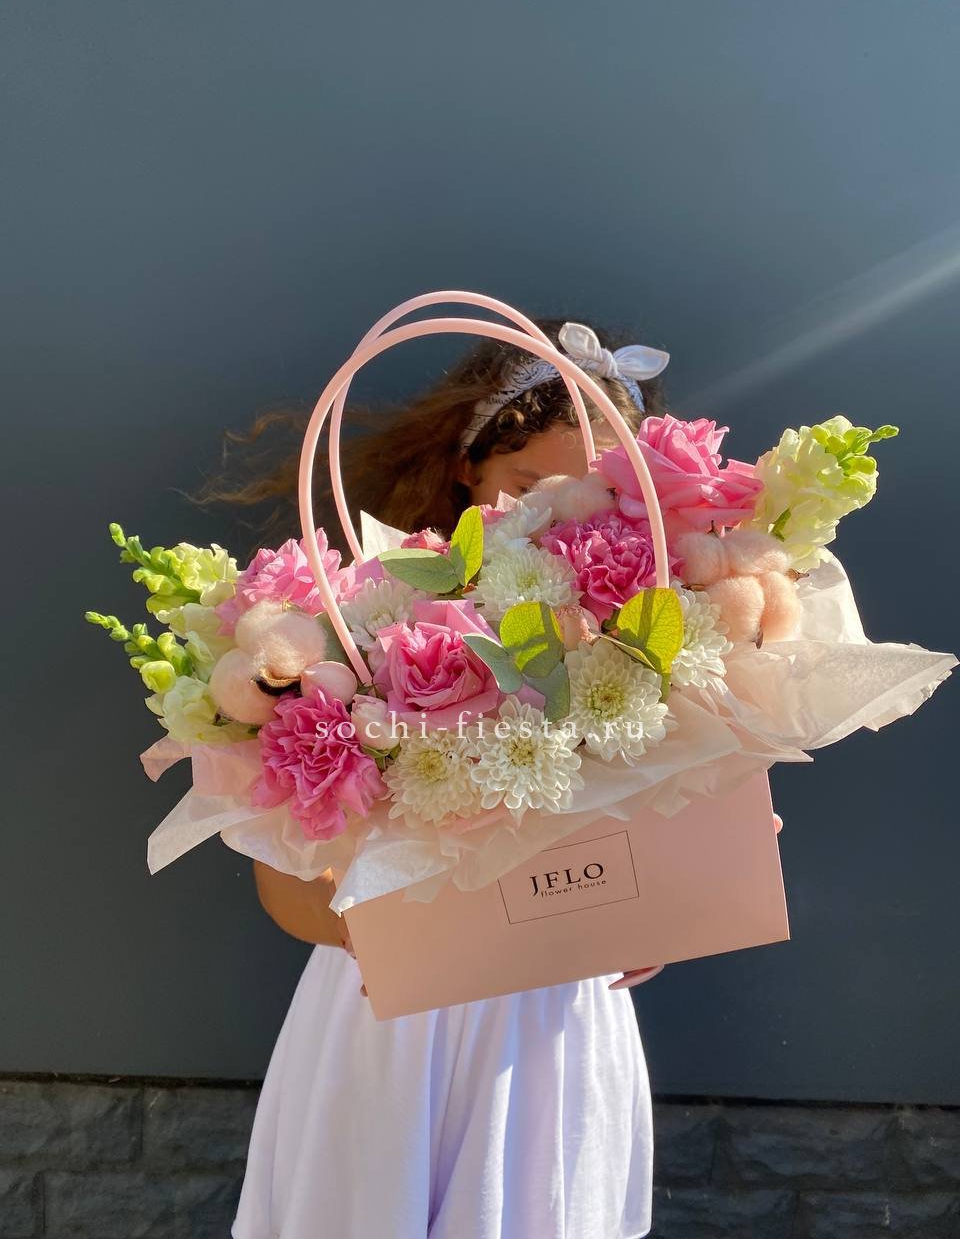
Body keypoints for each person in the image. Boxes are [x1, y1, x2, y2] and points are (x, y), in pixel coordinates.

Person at [196, 315, 674, 1238]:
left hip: (551, 1018)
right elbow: (290, 880)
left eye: (599, 494)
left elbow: (667, 839)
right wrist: (400, 932)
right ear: (468, 467)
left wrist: (667, 893)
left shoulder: (646, 631)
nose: (559, 518)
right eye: (528, 487)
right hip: (396, 1012)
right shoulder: (362, 621)